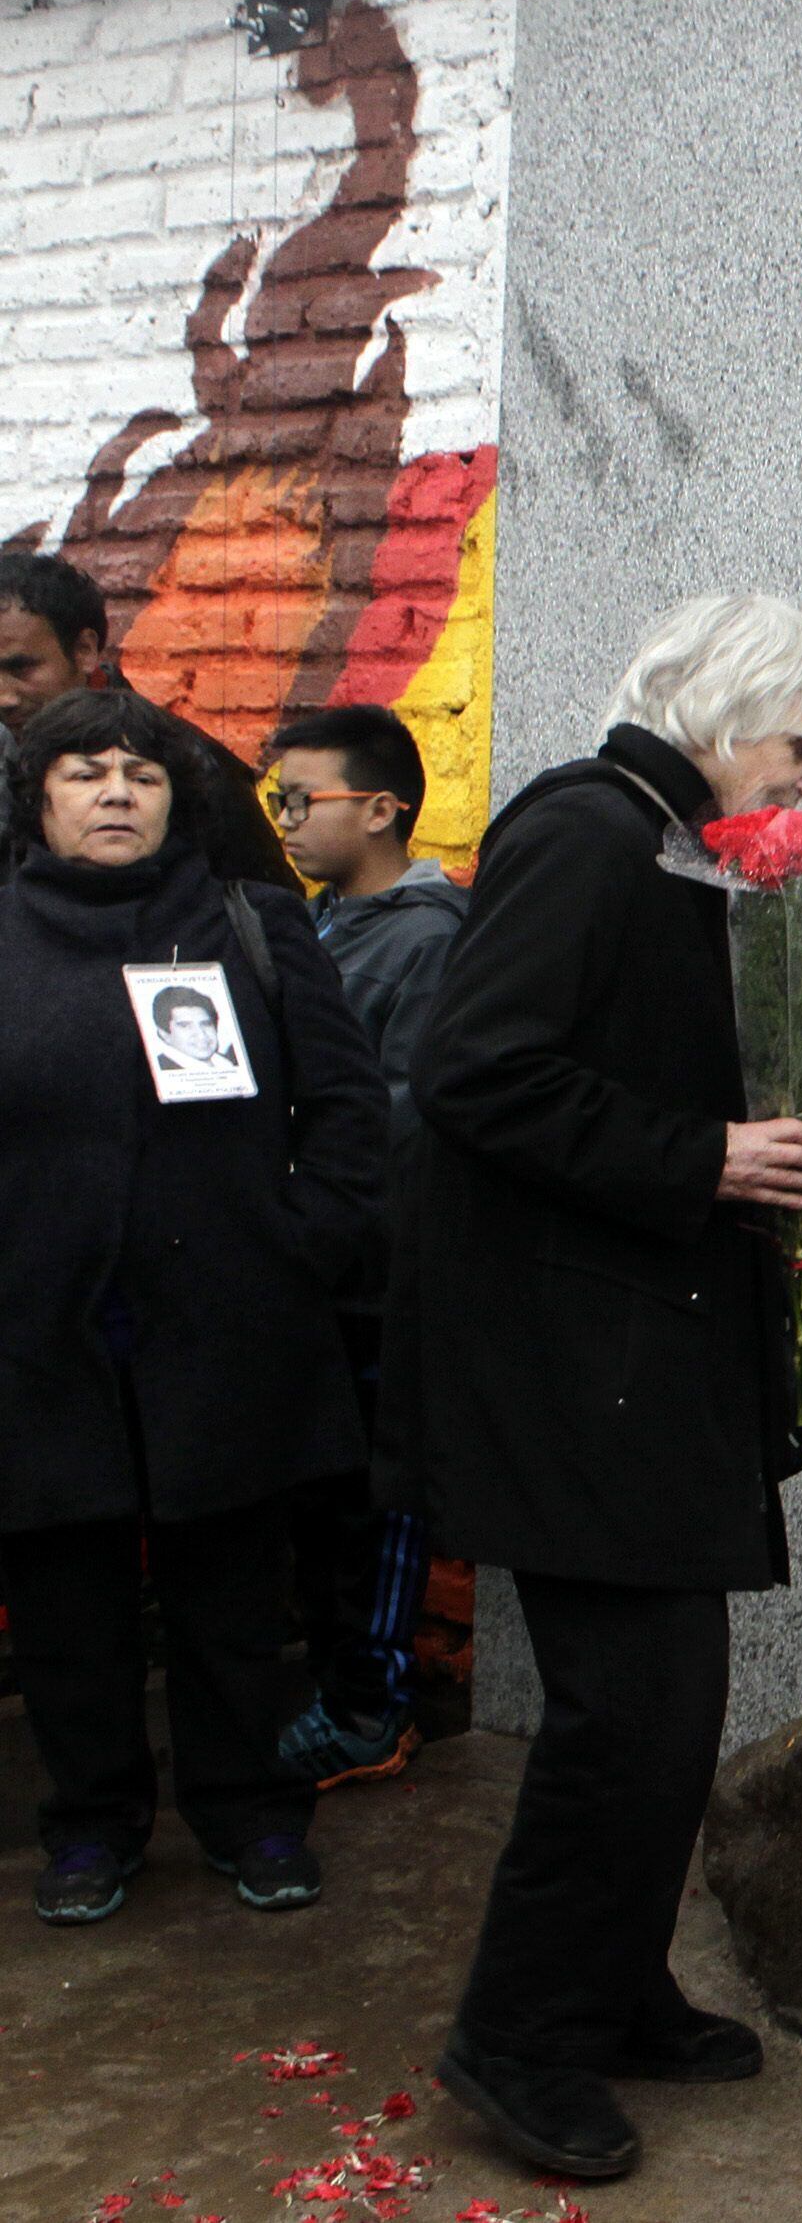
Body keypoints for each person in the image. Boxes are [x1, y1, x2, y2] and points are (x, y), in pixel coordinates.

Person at [385, 593, 802, 2182]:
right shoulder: (588, 833)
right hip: (576, 1371)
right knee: (622, 1723)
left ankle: (613, 1989)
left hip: (640, 1365)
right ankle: (514, 2040)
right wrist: (696, 1160)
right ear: (718, 714)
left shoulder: (683, 850)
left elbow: (740, 1106)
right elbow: (476, 1072)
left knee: (665, 1719)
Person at [0, 688, 389, 1925]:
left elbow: (347, 1107)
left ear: (177, 801)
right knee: (71, 1604)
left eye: (142, 773)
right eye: (84, 772)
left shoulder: (248, 925)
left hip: (226, 1327)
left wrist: (297, 1245)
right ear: (38, 798)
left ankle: (251, 1814)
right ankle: (92, 1826)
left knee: (231, 1599)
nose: (117, 791)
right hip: (44, 1335)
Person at [266, 704, 468, 1787]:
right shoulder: (317, 920)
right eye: (278, 801)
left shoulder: (426, 939)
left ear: (382, 807)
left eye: (304, 799)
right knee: (327, 1502)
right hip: (317, 1270)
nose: (288, 821)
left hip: (379, 1278)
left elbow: (402, 1124)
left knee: (381, 1503)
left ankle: (371, 1706)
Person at [0, 549, 297, 890]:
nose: (4, 698)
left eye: (21, 668)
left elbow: (269, 912)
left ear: (84, 651)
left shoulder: (190, 764)